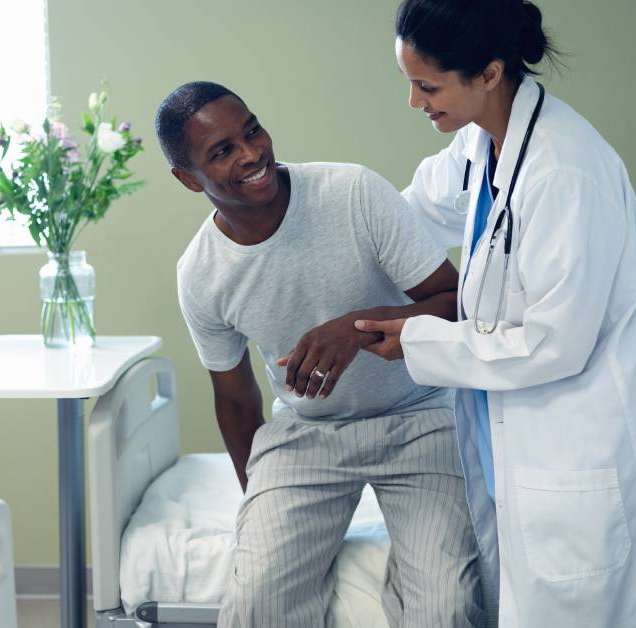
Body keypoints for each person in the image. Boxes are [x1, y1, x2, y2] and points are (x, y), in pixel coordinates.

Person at [352, 1, 636, 626]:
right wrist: (308, 214)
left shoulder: (564, 170)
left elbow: (555, 343)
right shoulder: (483, 143)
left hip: (590, 428)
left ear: (489, 73)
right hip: (534, 420)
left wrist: (423, 339)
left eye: (428, 86)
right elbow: (407, 216)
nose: (415, 103)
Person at [157, 80, 484, 627]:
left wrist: (355, 331)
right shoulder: (200, 274)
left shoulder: (352, 192)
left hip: (419, 415)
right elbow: (236, 405)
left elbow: (456, 304)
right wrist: (263, 504)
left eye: (252, 129)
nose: (252, 153)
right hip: (308, 431)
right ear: (188, 178)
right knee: (256, 604)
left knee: (445, 606)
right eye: (222, 151)